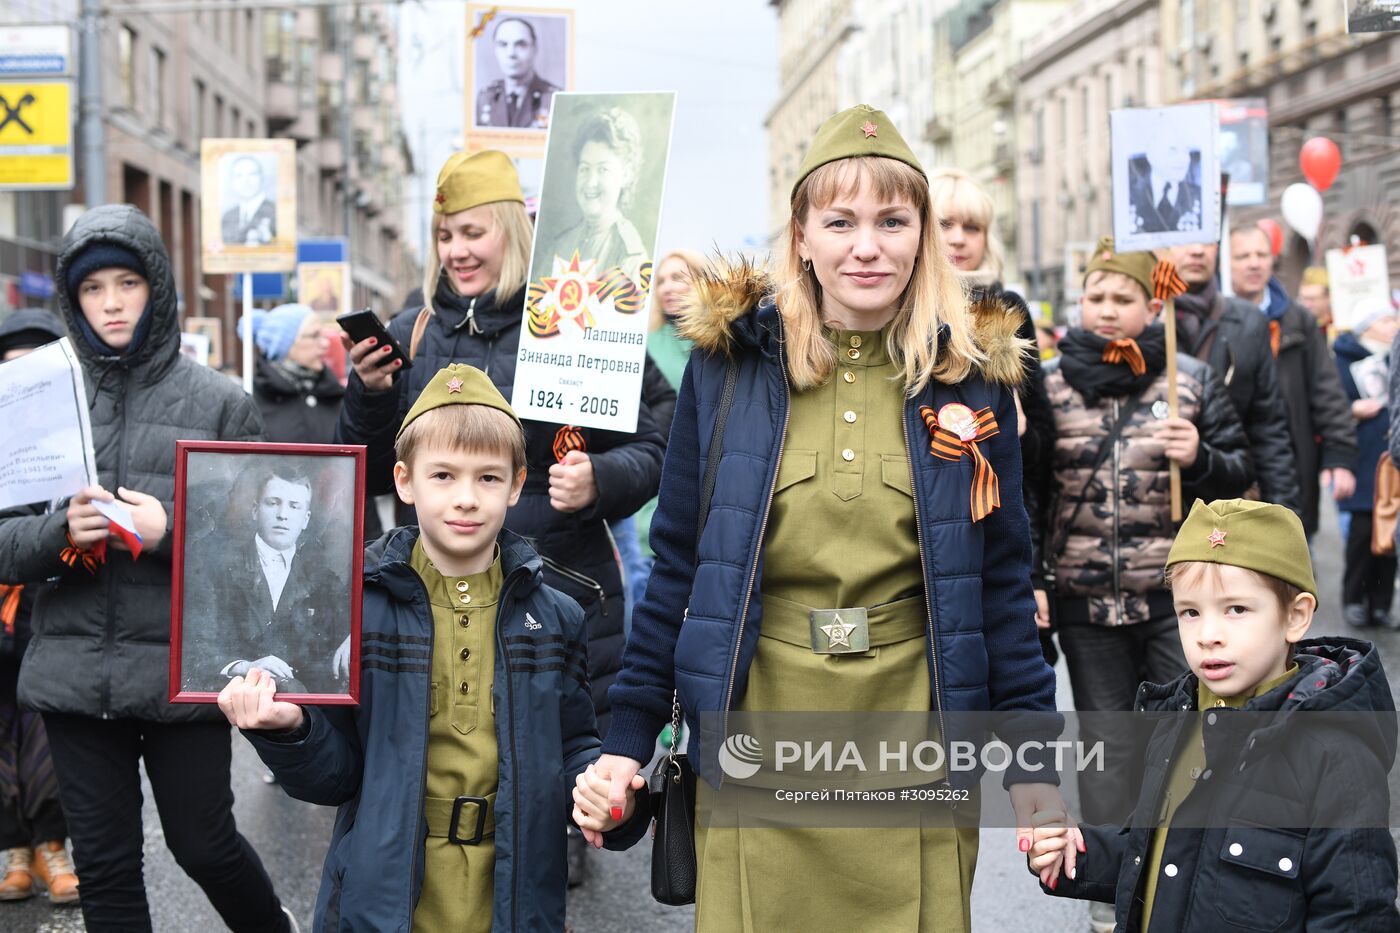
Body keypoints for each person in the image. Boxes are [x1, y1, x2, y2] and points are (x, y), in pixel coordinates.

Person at [586, 105, 1072, 931]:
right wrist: (624, 739)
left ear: (921, 235)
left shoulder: (970, 376)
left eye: (892, 219)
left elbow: (998, 588)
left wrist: (1037, 781)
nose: (867, 245)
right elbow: (678, 568)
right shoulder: (729, 367)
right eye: (839, 221)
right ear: (802, 236)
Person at [219, 365, 649, 931]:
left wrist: (608, 795)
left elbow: (572, 747)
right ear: (404, 480)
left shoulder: (556, 616)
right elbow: (337, 776)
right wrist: (289, 731)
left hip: (515, 900)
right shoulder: (355, 610)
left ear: (519, 484)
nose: (466, 498)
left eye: (488, 479)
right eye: (443, 475)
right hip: (385, 899)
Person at [334, 150, 666, 882]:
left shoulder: (573, 315)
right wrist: (367, 394)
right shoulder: (409, 332)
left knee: (546, 814)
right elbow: (356, 466)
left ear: (512, 231)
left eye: (473, 232)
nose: (457, 251)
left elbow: (663, 431)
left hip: (557, 584)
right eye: (445, 234)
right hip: (437, 589)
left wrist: (601, 479)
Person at [0, 205, 296, 932]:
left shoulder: (222, 403)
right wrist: (57, 532)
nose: (110, 301)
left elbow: (265, 556)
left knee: (204, 845)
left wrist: (172, 530)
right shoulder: (37, 398)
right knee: (104, 866)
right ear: (73, 299)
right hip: (73, 675)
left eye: (126, 282)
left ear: (155, 288)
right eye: (93, 287)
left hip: (181, 674)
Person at [1029, 498, 1400, 932]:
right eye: (1190, 612)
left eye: (1236, 610)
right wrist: (1077, 851)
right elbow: (1160, 856)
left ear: (1295, 616)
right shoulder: (1176, 721)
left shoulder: (1334, 754)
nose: (1207, 636)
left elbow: (1356, 916)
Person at [1043, 240, 1252, 933]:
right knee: (1107, 747)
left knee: (1181, 739)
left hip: (1173, 600)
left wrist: (1200, 456)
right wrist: (1035, 581)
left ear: (1151, 305)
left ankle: (1182, 878)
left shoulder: (1187, 381)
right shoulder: (1047, 384)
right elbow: (1031, 489)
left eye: (1122, 299)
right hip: (1084, 600)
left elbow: (1238, 475)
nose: (1107, 311)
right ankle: (1109, 892)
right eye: (1096, 297)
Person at [927, 167, 1058, 659]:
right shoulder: (897, 308)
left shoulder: (1007, 309)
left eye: (972, 227)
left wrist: (1016, 429)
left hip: (999, 527)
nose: (958, 239)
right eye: (944, 224)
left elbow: (1043, 451)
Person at [0, 310, 79, 906]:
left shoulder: (75, 436)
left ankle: (53, 844)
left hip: (51, 606)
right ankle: (13, 848)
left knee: (45, 729)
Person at [1230, 224, 1356, 538]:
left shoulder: (1298, 320)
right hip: (1232, 471)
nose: (1254, 263)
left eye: (1261, 254)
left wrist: (1340, 454)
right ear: (1227, 261)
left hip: (1293, 466)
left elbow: (1325, 389)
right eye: (1243, 256)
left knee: (1293, 566)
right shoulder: (1213, 320)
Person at [1167, 239, 1300, 511]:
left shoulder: (1248, 319)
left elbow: (1268, 427)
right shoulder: (1142, 320)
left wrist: (1284, 516)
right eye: (1183, 240)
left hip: (1228, 508)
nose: (1196, 249)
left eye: (1207, 241)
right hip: (1155, 515)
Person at [194, 470, 344, 695]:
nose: (283, 514)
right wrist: (245, 667)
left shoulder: (324, 579)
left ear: (305, 519)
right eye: (273, 503)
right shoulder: (218, 568)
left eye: (294, 506)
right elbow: (199, 650)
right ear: (255, 510)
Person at [244, 304, 382, 542]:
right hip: (282, 537)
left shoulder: (339, 396)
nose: (325, 343)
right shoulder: (252, 403)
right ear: (284, 345)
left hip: (344, 534)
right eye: (313, 336)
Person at [1333, 297, 1398, 628]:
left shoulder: (1393, 356)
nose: (1393, 326)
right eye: (1386, 321)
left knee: (1389, 535)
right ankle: (1354, 598)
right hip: (1360, 458)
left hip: (1390, 461)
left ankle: (1382, 603)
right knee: (1361, 535)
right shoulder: (1342, 358)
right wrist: (1351, 410)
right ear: (1368, 326)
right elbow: (1329, 403)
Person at [541, 107, 649, 282]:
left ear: (626, 174)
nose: (591, 182)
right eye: (584, 168)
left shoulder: (630, 256)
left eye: (603, 169)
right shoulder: (561, 245)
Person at [475, 16, 559, 129]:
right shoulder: (485, 98)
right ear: (495, 49)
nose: (511, 53)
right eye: (503, 44)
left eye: (521, 44)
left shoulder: (554, 98)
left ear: (534, 48)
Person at [1127, 140, 1202, 234]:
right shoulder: (1128, 195)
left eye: (1186, 151)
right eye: (1173, 150)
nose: (1184, 159)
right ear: (1151, 156)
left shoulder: (1200, 196)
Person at [220, 155, 276, 246]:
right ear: (232, 181)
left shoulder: (275, 212)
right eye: (239, 175)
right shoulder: (227, 216)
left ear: (262, 177)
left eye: (252, 174)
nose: (246, 180)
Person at [1297, 265, 1333, 330]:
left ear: (1328, 297)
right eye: (1304, 298)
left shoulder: (1339, 325)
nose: (1307, 305)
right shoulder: (1295, 325)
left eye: (1312, 299)